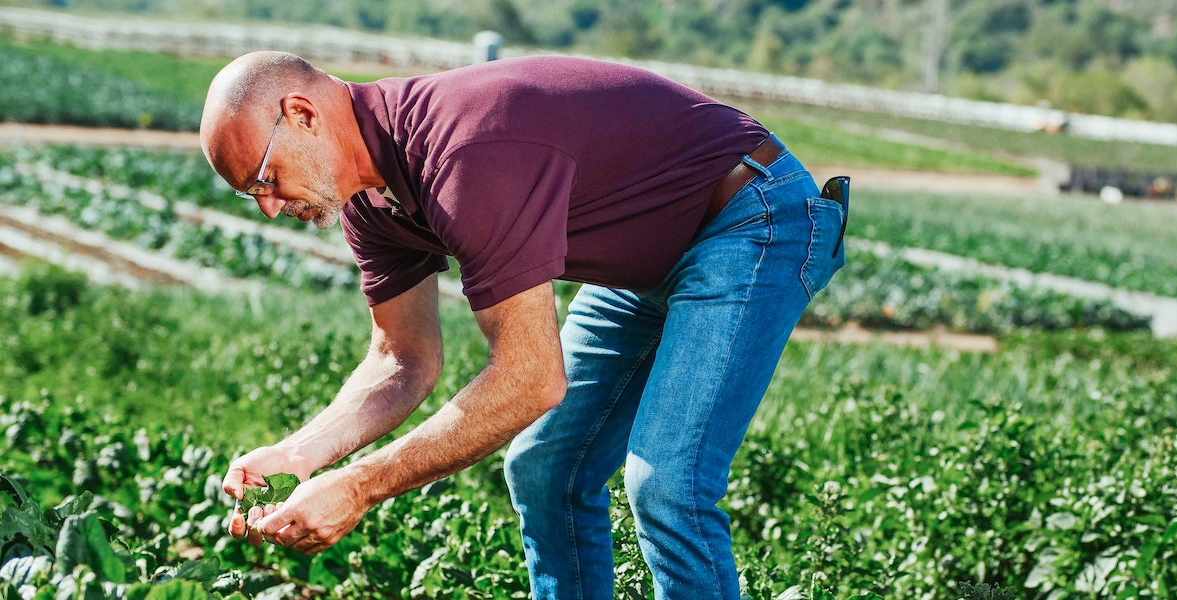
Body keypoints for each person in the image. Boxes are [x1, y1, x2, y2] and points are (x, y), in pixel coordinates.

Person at [200, 50, 847, 600]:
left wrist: (362, 487)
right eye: (246, 194)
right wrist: (304, 453)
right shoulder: (371, 205)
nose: (268, 208)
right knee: (544, 466)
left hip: (748, 215)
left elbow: (530, 381)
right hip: (644, 262)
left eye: (263, 179)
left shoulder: (463, 154)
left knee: (667, 485)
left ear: (302, 116)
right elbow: (401, 361)